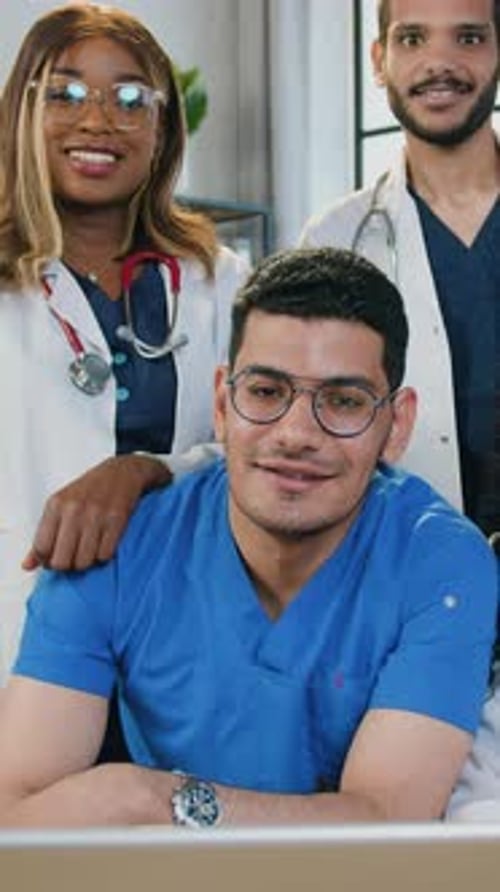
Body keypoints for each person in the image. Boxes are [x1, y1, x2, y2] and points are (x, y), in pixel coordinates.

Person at [0, 246, 495, 828]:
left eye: (343, 402)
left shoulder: (439, 562)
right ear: (221, 402)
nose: (296, 434)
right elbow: (15, 815)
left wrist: (148, 799)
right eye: (265, 392)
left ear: (398, 424)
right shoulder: (114, 547)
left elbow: (385, 822)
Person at [0, 4, 248, 683]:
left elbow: (263, 449)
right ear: (21, 112)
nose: (97, 120)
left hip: (184, 642)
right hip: (19, 641)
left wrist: (146, 469)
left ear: (161, 126)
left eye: (131, 98)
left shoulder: (216, 279)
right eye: (65, 93)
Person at [301, 0, 500, 535]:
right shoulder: (335, 239)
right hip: (409, 562)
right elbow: (305, 420)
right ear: (378, 59)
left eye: (469, 38)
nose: (440, 63)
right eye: (412, 39)